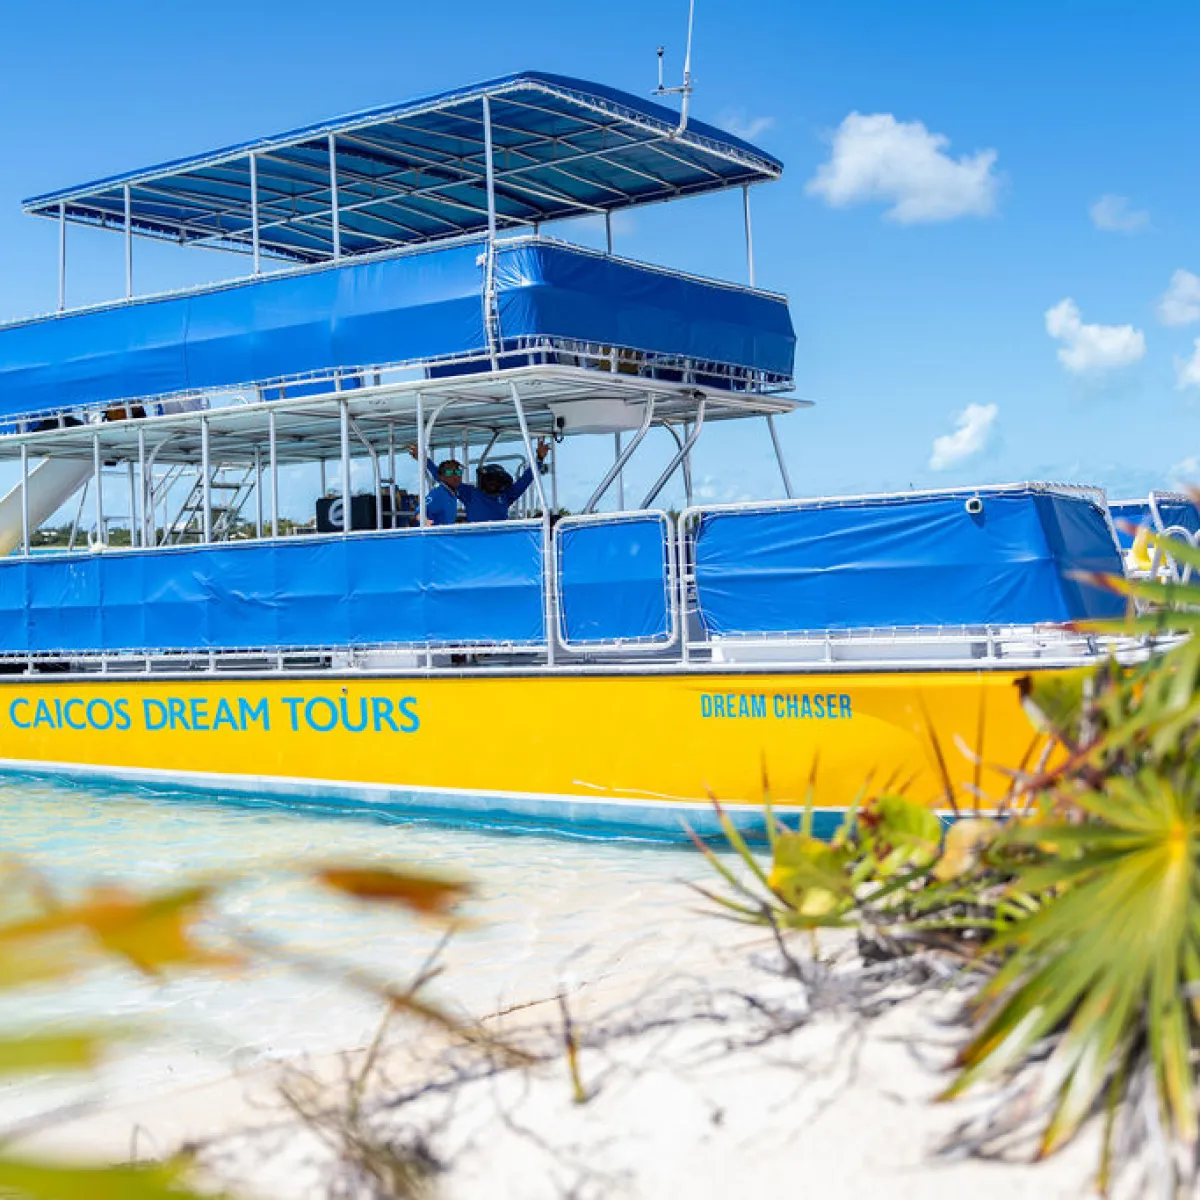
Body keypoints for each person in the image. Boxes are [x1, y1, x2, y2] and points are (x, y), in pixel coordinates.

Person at [408, 440, 549, 523]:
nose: (493, 483)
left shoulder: (506, 496)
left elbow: (525, 481)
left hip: (499, 540)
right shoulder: (470, 493)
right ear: (483, 480)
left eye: (496, 481)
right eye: (490, 480)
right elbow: (443, 477)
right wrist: (424, 459)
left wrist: (539, 459)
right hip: (475, 539)